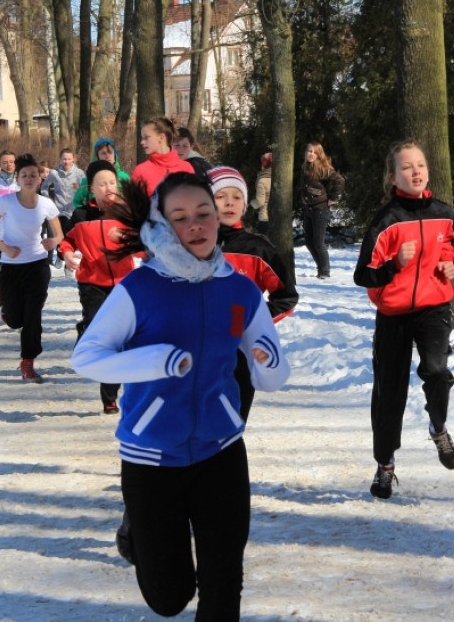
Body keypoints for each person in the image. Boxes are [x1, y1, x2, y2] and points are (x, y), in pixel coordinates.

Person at [72, 172, 290, 619]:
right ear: (163, 224)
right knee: (169, 598)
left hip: (221, 451)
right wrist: (155, 361)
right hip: (151, 458)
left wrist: (268, 361)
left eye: (203, 213)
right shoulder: (140, 288)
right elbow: (87, 357)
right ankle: (142, 540)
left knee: (223, 578)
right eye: (180, 216)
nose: (195, 224)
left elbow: (272, 380)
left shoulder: (240, 289)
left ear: (217, 217)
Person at [353, 139, 454, 500]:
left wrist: (450, 265)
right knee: (389, 393)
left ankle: (438, 427)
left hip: (434, 308)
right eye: (407, 167)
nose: (416, 171)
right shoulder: (386, 221)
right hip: (394, 315)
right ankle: (385, 464)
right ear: (392, 176)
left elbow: (448, 251)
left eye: (420, 165)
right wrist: (395, 263)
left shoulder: (444, 214)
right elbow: (364, 275)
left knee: (436, 371)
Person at [208, 165, 298, 421]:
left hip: (241, 349)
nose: (229, 202)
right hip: (200, 345)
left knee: (233, 421)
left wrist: (255, 320)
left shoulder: (258, 249)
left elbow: (286, 297)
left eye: (236, 197)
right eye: (220, 196)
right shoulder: (193, 245)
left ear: (245, 205)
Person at [59, 160, 142, 414]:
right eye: (102, 184)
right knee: (97, 328)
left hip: (124, 285)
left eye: (112, 183)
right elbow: (66, 242)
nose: (108, 188)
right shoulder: (81, 216)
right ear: (91, 188)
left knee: (114, 340)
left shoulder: (128, 214)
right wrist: (67, 255)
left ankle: (109, 396)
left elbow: (146, 243)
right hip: (91, 283)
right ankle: (85, 329)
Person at [0, 154, 63, 383]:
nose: (29, 179)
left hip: (37, 264)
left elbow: (60, 233)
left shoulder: (47, 204)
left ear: (40, 179)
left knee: (33, 315)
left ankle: (28, 362)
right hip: (11, 266)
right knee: (16, 319)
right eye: (24, 175)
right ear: (17, 178)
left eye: (33, 175)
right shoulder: (5, 202)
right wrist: (4, 249)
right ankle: (8, 311)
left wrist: (53, 242)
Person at [300, 142, 344, 278]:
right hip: (309, 209)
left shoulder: (323, 168)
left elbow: (340, 180)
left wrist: (333, 198)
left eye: (315, 152)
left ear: (319, 155)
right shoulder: (305, 168)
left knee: (318, 242)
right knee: (309, 241)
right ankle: (321, 268)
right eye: (309, 151)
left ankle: (325, 271)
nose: (311, 154)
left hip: (320, 209)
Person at [131, 117, 193, 196]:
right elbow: (132, 205)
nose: (142, 142)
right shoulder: (140, 171)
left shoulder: (186, 168)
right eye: (142, 138)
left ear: (161, 137)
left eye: (146, 138)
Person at [72, 138, 131, 209]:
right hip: (95, 217)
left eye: (110, 152)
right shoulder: (90, 179)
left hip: (119, 216)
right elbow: (76, 202)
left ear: (115, 155)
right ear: (97, 156)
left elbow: (132, 200)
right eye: (103, 153)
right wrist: (84, 215)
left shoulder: (124, 177)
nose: (107, 156)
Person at [249, 152, 273, 236]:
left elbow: (260, 201)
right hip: (277, 218)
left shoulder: (262, 180)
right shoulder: (278, 178)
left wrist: (251, 203)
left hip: (265, 217)